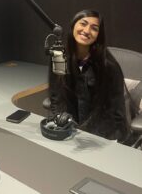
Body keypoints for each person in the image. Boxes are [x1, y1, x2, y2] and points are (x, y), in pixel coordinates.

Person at [49, 9, 130, 142]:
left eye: (94, 28)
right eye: (83, 24)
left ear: (99, 34)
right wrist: (61, 117)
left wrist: (88, 134)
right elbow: (56, 96)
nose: (86, 31)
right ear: (73, 25)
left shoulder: (109, 66)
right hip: (69, 130)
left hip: (101, 134)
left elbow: (115, 111)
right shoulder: (59, 57)